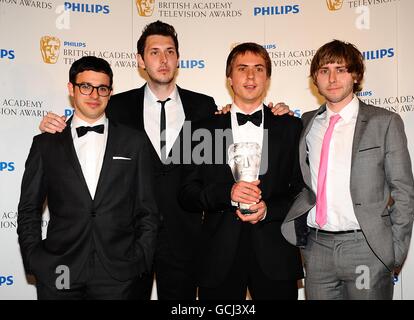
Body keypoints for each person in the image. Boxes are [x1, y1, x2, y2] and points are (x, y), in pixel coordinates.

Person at [38, 21, 290, 300]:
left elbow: (228, 142)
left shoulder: (204, 106)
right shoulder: (117, 106)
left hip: (186, 237)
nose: (163, 59)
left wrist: (278, 112)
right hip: (127, 239)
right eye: (154, 52)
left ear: (178, 59)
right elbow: (86, 126)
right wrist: (56, 125)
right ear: (140, 60)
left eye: (170, 51)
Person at [281, 40, 414, 300]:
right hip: (317, 249)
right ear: (315, 79)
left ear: (355, 75)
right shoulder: (306, 123)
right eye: (323, 70)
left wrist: (394, 250)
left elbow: (403, 190)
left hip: (367, 248)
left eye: (340, 69)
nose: (332, 78)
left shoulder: (384, 122)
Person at [17, 56, 159, 299]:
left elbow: (148, 210)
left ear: (110, 92)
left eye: (102, 88)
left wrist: (140, 257)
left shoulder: (134, 142)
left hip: (118, 273)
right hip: (60, 269)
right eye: (86, 86)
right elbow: (29, 208)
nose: (94, 95)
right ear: (71, 89)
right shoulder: (45, 144)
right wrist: (35, 258)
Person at [179, 42, 304, 300]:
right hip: (218, 257)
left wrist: (269, 209)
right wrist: (229, 193)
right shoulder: (203, 129)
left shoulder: (291, 127)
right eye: (242, 68)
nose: (250, 76)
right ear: (229, 78)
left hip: (276, 255)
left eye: (258, 69)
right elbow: (187, 193)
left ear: (267, 78)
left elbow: (301, 191)